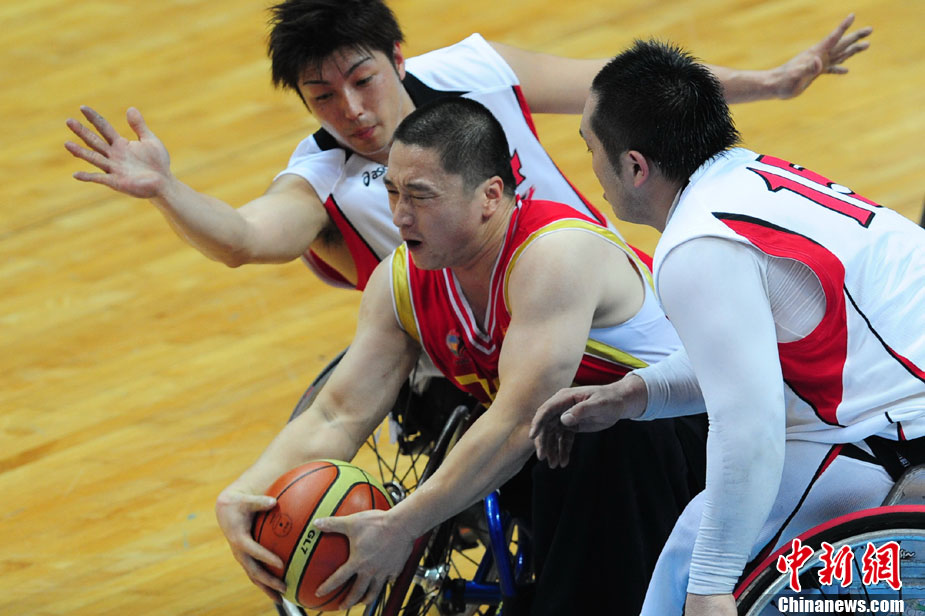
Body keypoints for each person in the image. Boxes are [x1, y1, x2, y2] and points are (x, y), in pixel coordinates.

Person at [214, 97, 702, 614]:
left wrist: (400, 526)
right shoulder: (401, 282)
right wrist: (246, 492)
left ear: (490, 195)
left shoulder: (555, 254)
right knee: (531, 432)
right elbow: (338, 413)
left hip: (695, 435)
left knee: (586, 426)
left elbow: (517, 422)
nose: (399, 216)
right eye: (392, 191)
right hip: (575, 469)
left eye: (420, 197)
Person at [63, 0, 873, 292]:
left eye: (360, 79)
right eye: (322, 95)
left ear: (397, 58)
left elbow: (621, 84)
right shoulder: (321, 175)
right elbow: (244, 239)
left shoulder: (477, 70)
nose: (350, 110)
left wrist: (770, 82)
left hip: (608, 286)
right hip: (479, 357)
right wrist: (167, 190)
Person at [529, 39, 925, 616]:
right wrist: (634, 393)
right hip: (899, 406)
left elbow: (750, 426)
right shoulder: (748, 177)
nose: (591, 167)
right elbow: (747, 359)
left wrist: (711, 584)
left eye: (589, 148)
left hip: (899, 436)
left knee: (693, 559)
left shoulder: (697, 244)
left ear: (635, 166)